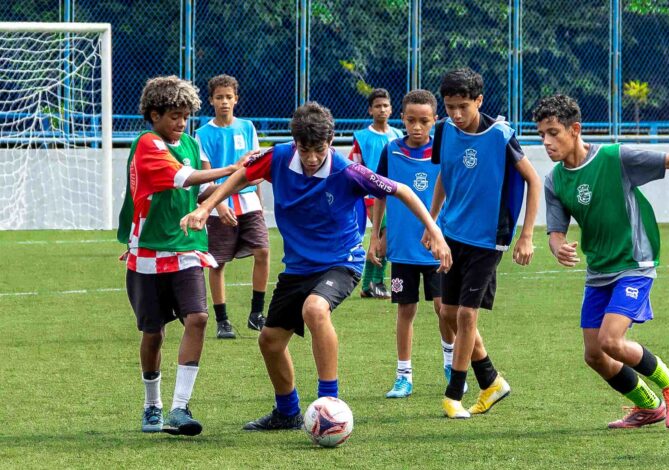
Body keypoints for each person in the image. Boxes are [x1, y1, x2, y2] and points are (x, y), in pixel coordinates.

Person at [180, 101, 452, 431]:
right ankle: (287, 412)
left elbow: (403, 191)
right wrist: (206, 206)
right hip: (298, 267)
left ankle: (329, 406)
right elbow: (241, 176)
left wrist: (435, 231)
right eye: (304, 149)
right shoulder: (279, 157)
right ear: (295, 143)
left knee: (315, 310)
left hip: (342, 262)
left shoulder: (347, 170)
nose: (311, 159)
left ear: (331, 141)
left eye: (319, 150)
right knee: (269, 342)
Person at [534, 94, 669, 428]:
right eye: (542, 135)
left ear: (575, 129)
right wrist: (558, 246)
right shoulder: (555, 180)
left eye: (553, 133)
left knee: (611, 340)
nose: (546, 142)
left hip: (635, 263)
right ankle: (648, 406)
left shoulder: (615, 157)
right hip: (599, 271)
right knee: (594, 355)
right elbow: (556, 231)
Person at [117, 75, 242, 436]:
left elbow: (203, 189)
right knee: (153, 333)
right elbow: (184, 178)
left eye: (186, 117)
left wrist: (231, 190)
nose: (181, 124)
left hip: (187, 247)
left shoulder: (188, 142)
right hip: (148, 253)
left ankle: (179, 408)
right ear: (153, 115)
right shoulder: (146, 144)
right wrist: (232, 168)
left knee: (199, 317)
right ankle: (152, 404)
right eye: (174, 116)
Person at [425, 68, 542, 419]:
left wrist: (526, 236)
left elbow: (534, 182)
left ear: (479, 100)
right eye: (449, 107)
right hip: (451, 233)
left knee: (465, 314)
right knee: (446, 311)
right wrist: (432, 223)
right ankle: (491, 381)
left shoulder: (501, 135)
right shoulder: (444, 131)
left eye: (463, 106)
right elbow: (445, 174)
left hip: (489, 238)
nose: (456, 115)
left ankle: (453, 395)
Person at [369, 89, 466, 398]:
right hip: (402, 249)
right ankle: (403, 376)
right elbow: (380, 194)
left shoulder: (444, 152)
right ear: (403, 119)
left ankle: (451, 366)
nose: (417, 127)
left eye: (424, 121)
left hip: (438, 247)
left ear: (435, 121)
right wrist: (376, 235)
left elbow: (454, 193)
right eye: (411, 120)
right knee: (405, 310)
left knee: (444, 309)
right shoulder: (391, 151)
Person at [196, 74, 270, 338]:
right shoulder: (202, 134)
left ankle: (256, 314)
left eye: (229, 97)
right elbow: (205, 178)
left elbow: (255, 170)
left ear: (236, 99)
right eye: (219, 97)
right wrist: (218, 206)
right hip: (219, 203)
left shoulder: (247, 128)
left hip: (248, 202)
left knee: (262, 251)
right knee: (217, 263)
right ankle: (222, 320)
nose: (224, 102)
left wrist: (259, 204)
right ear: (211, 101)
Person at [349, 88, 404, 299]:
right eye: (378, 106)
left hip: (394, 195)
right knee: (386, 234)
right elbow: (354, 167)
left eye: (385, 106)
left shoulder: (398, 136)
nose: (382, 109)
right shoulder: (362, 137)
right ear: (370, 110)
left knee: (388, 236)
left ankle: (370, 285)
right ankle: (374, 283)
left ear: (391, 110)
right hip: (371, 196)